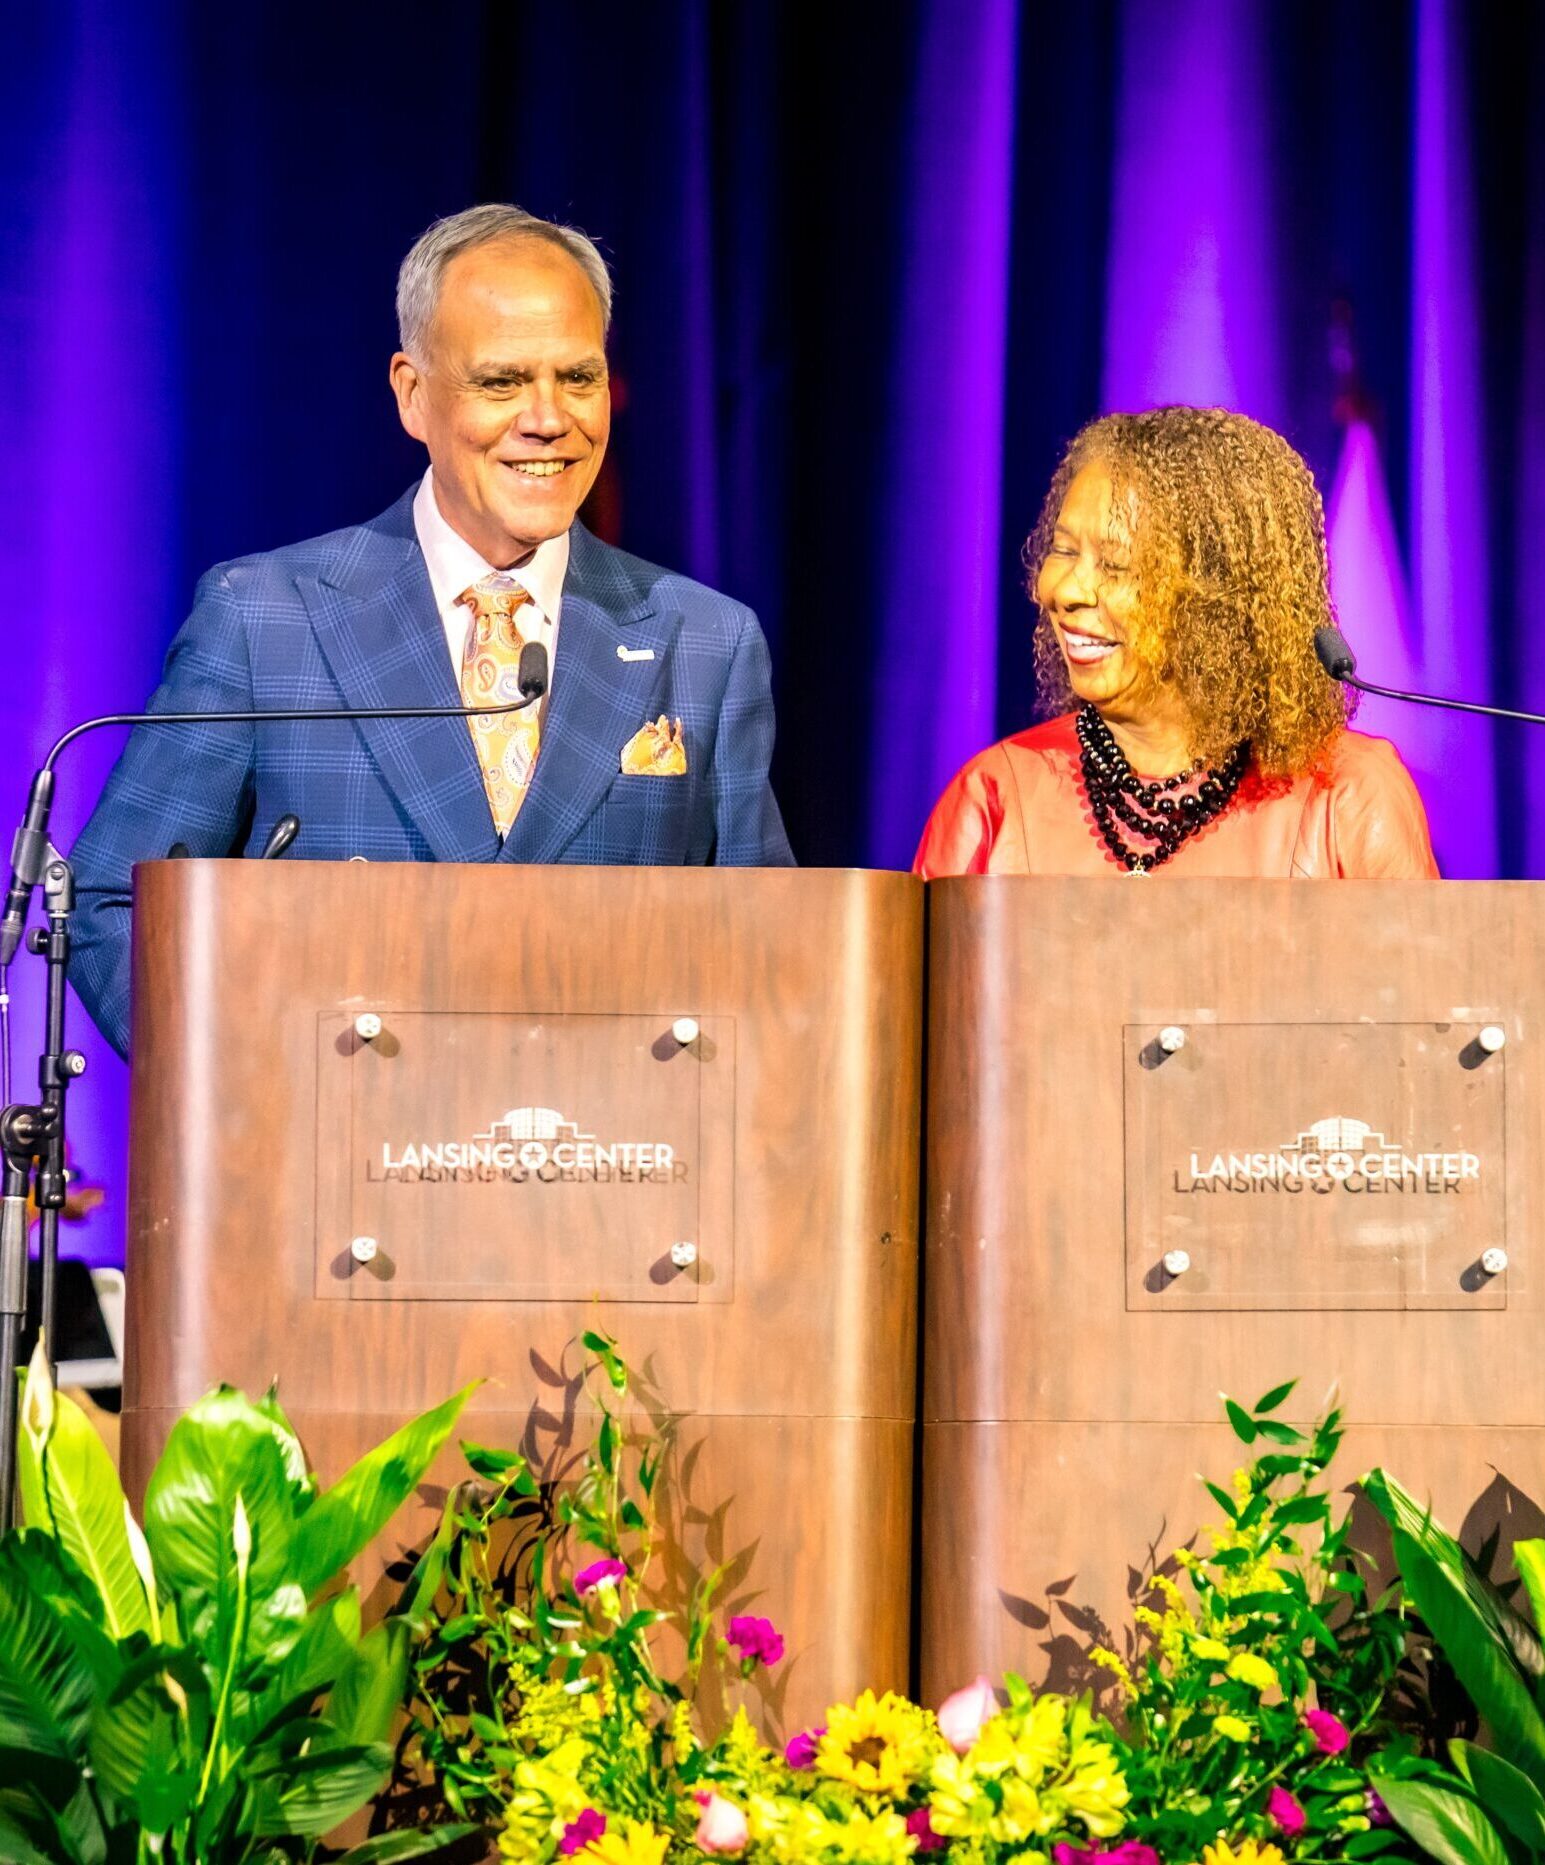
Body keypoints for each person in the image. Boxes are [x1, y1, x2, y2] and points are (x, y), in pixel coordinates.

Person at [69, 204, 793, 1057]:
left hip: (604, 1165)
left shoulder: (704, 642)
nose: (549, 418)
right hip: (332, 1165)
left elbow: (769, 946)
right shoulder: (267, 618)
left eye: (578, 377)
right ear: (413, 395)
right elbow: (113, 900)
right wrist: (248, 1102)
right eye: (501, 382)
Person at [914, 406, 1438, 880]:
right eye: (1064, 551)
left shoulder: (1348, 797)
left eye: (1116, 566)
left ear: (1217, 596)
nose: (1066, 590)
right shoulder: (996, 793)